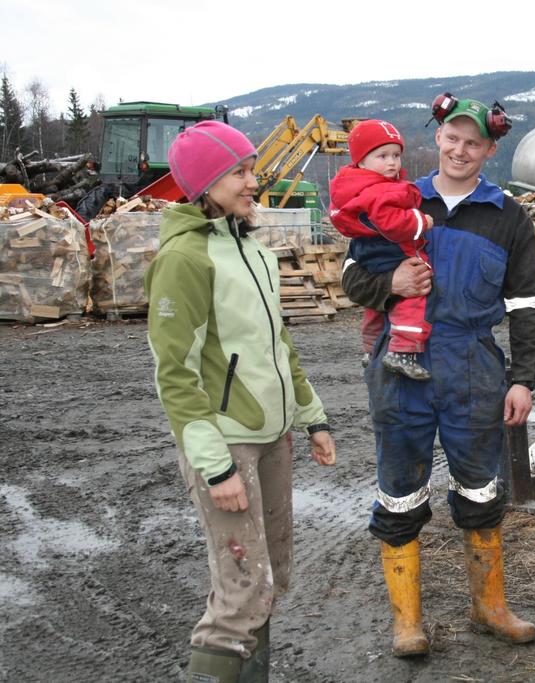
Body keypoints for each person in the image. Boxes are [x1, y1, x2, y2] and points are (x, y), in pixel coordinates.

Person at [341, 94, 535, 657]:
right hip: (399, 365)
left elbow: (525, 305)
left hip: (472, 365)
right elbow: (353, 278)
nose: (459, 149)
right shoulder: (393, 200)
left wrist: (523, 378)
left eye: (472, 142)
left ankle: (490, 607)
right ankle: (407, 622)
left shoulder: (507, 216)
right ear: (438, 140)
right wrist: (391, 286)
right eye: (451, 138)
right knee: (400, 491)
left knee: (481, 489)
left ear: (489, 149)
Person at [144, 120, 337, 682]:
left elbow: (278, 343)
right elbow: (174, 374)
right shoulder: (186, 258)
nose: (254, 181)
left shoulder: (250, 247)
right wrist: (215, 464)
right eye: (241, 172)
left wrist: (313, 418)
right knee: (242, 590)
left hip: (271, 435)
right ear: (205, 183)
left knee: (268, 576)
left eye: (252, 168)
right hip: (226, 444)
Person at [328, 119, 434, 380]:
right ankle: (403, 348)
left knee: (376, 307)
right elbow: (392, 223)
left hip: (369, 251)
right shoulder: (381, 190)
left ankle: (371, 347)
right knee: (413, 295)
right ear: (361, 161)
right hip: (391, 250)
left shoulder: (354, 188)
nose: (392, 163)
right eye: (383, 156)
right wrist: (423, 221)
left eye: (396, 155)